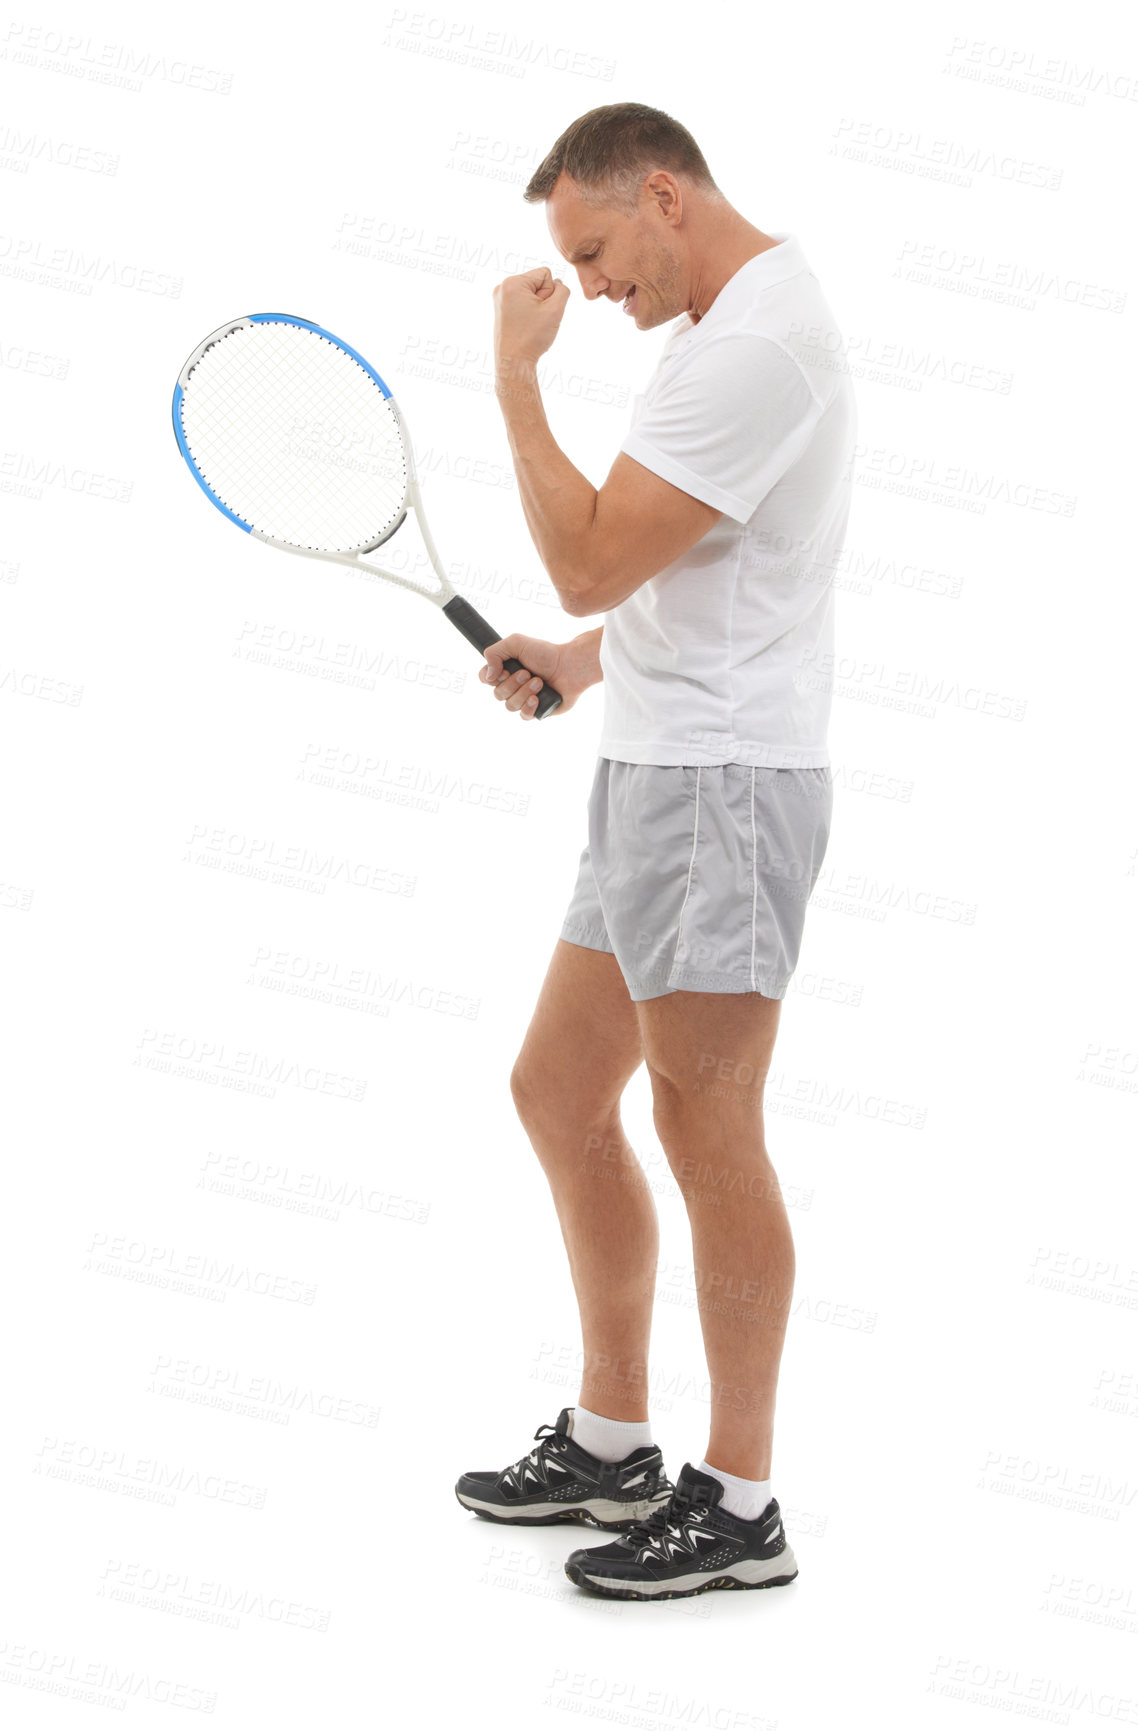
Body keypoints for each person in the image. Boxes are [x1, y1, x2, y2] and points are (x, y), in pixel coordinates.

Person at [454, 102, 857, 1602]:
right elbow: (681, 573)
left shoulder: (749, 346)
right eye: (572, 266)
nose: (592, 289)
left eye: (597, 252)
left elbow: (590, 546)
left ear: (665, 196)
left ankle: (738, 1499)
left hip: (722, 791)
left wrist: (511, 381)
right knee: (558, 1090)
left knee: (705, 1125)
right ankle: (615, 1435)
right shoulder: (722, 328)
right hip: (658, 768)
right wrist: (583, 656)